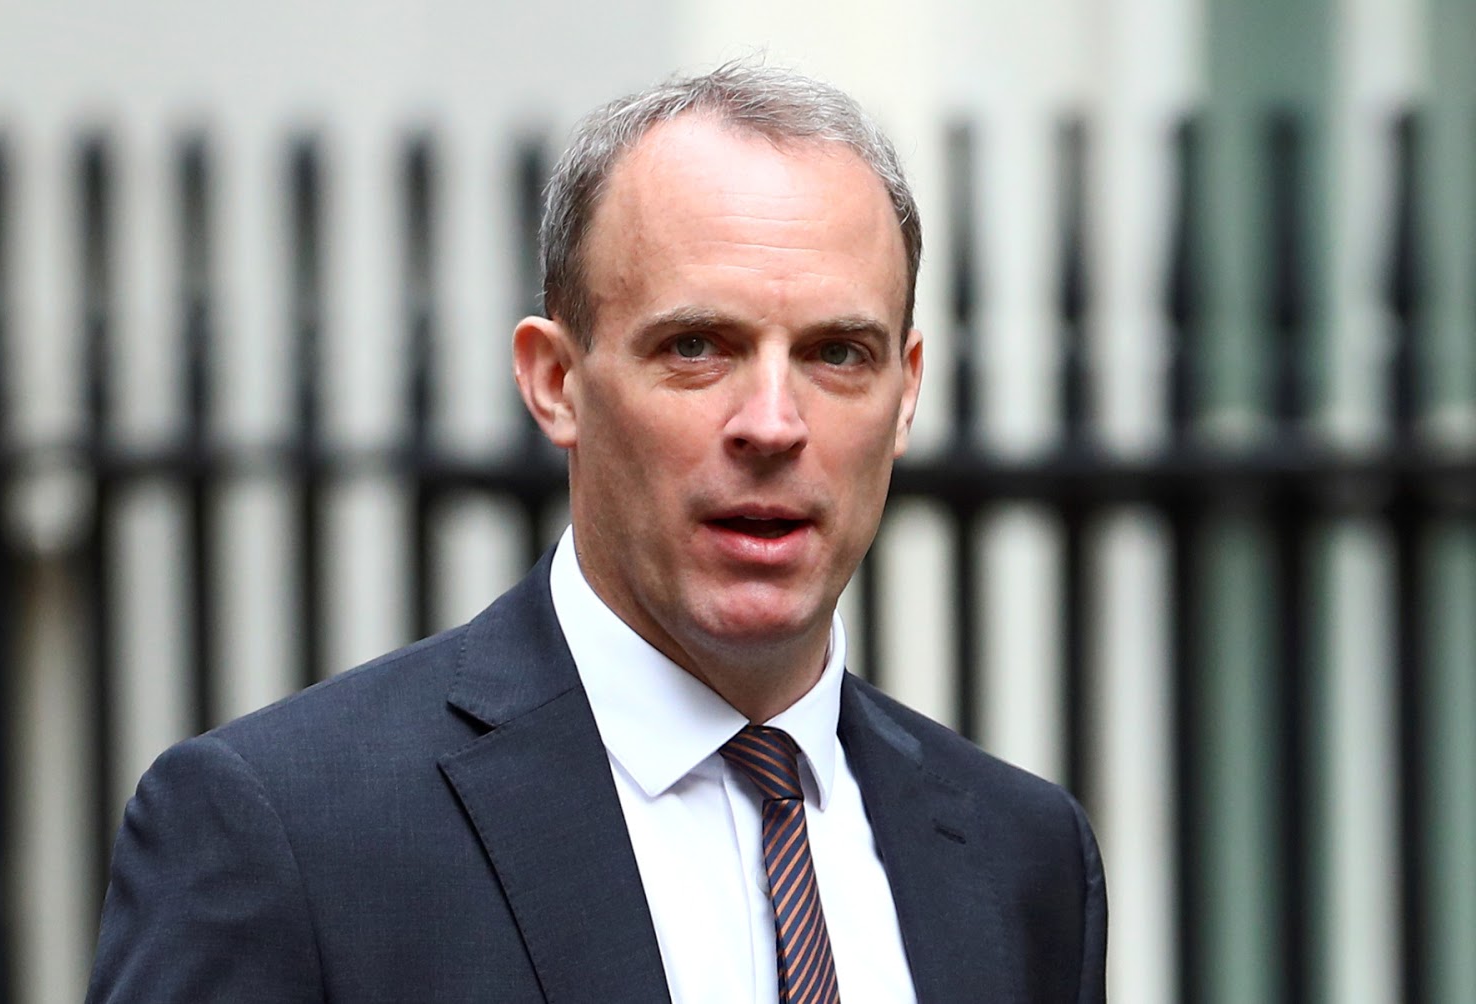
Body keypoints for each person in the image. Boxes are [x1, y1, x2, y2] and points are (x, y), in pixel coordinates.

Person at [87, 63, 1106, 1003]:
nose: (771, 422)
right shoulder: (290, 835)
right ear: (555, 381)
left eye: (837, 353)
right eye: (697, 346)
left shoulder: (1021, 855)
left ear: (907, 390)